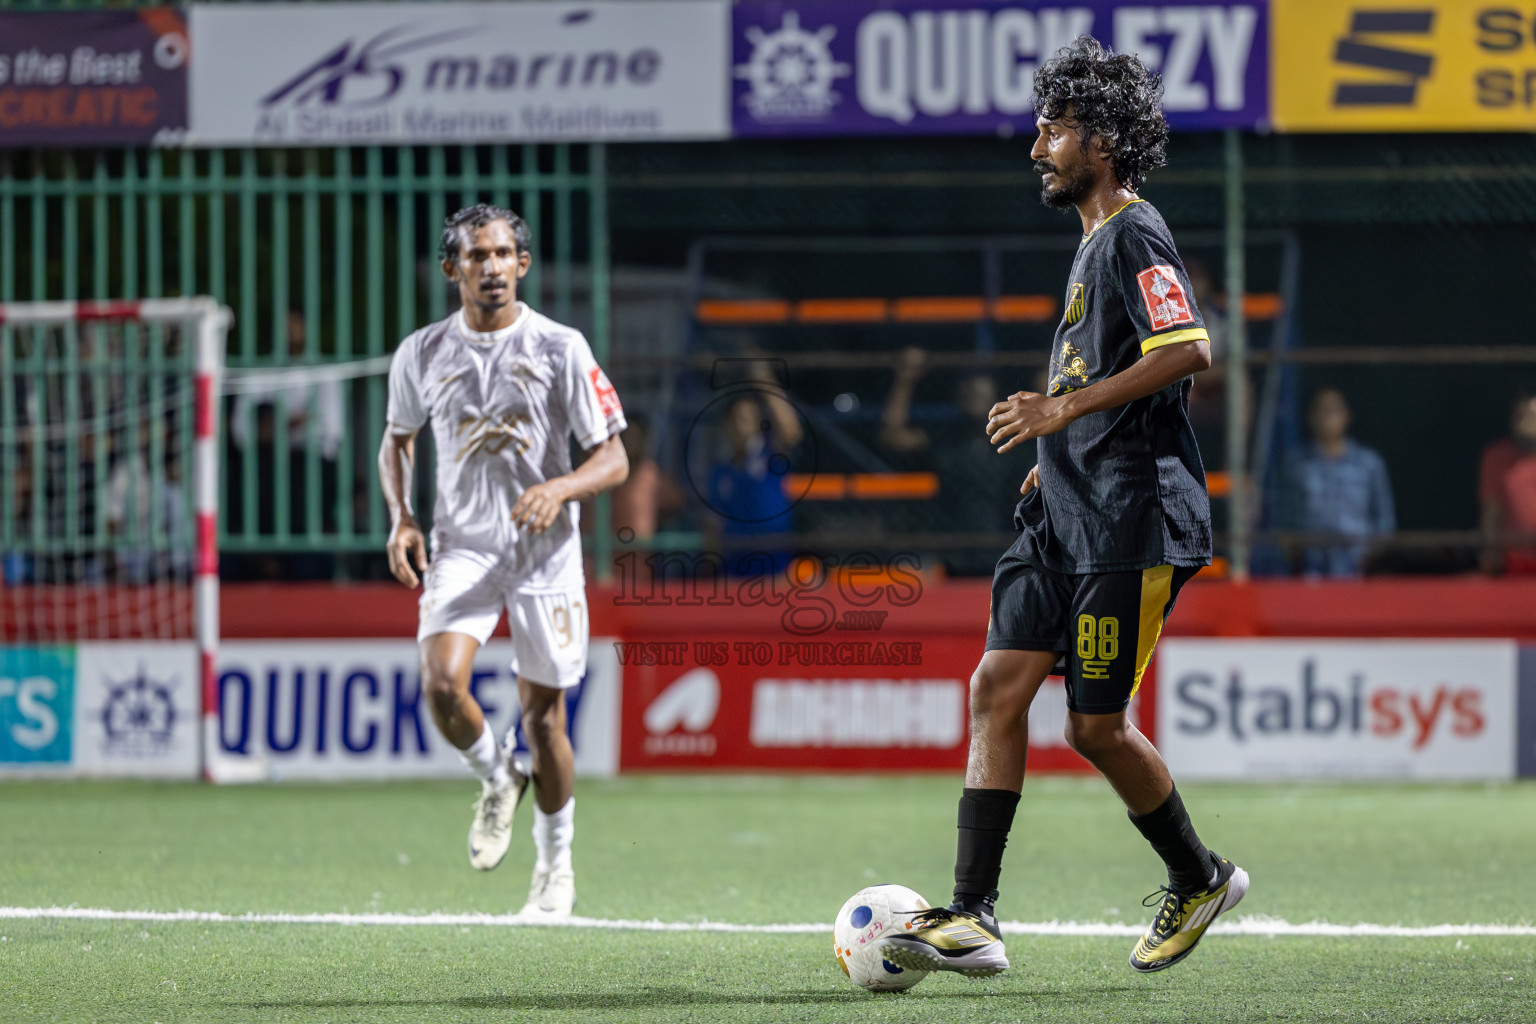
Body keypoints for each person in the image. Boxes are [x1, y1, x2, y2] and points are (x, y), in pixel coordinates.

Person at [881, 37, 1245, 979]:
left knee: (1093, 727)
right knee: (995, 687)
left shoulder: (1135, 231)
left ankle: (1200, 877)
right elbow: (1106, 370)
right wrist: (1058, 450)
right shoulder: (1091, 241)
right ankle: (972, 914)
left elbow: (1190, 350)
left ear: (1106, 139)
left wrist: (1064, 411)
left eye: (1055, 129)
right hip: (1067, 506)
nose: (1037, 146)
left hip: (1133, 520)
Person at [378, 203, 628, 918]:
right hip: (464, 547)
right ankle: (495, 776)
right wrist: (401, 518)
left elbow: (613, 456)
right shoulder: (422, 351)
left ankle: (556, 866)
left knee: (545, 723)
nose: (491, 267)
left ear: (522, 263)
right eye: (476, 255)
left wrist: (560, 487)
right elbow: (397, 440)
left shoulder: (560, 346)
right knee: (439, 684)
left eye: (503, 254)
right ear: (450, 267)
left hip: (545, 557)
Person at [1273, 388, 1395, 577]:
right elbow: (1283, 516)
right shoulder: (1295, 464)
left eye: (1334, 410)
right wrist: (1295, 553)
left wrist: (1369, 557)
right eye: (1322, 410)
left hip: (1358, 570)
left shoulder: (1369, 463)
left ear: (1347, 416)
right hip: (1310, 568)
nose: (1328, 417)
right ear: (1310, 417)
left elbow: (1384, 519)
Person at [1479, 394, 1536, 576]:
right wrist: (1491, 552)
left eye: (1534, 416)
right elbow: (1492, 509)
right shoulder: (1498, 457)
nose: (1528, 422)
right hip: (1513, 563)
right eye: (1522, 416)